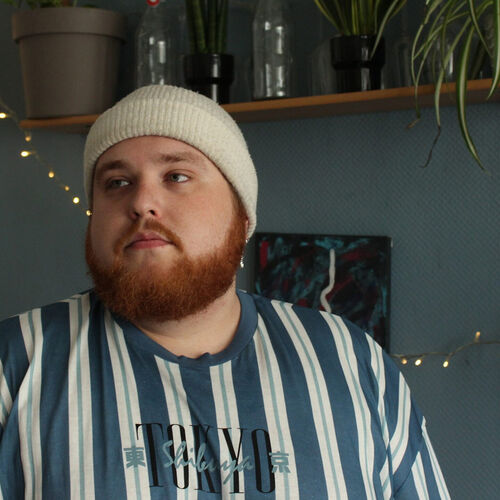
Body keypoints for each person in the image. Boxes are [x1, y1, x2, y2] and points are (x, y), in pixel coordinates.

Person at [0, 85, 450, 499]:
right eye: (117, 183)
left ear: (242, 216)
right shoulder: (16, 362)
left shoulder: (351, 360)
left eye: (176, 176)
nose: (141, 202)